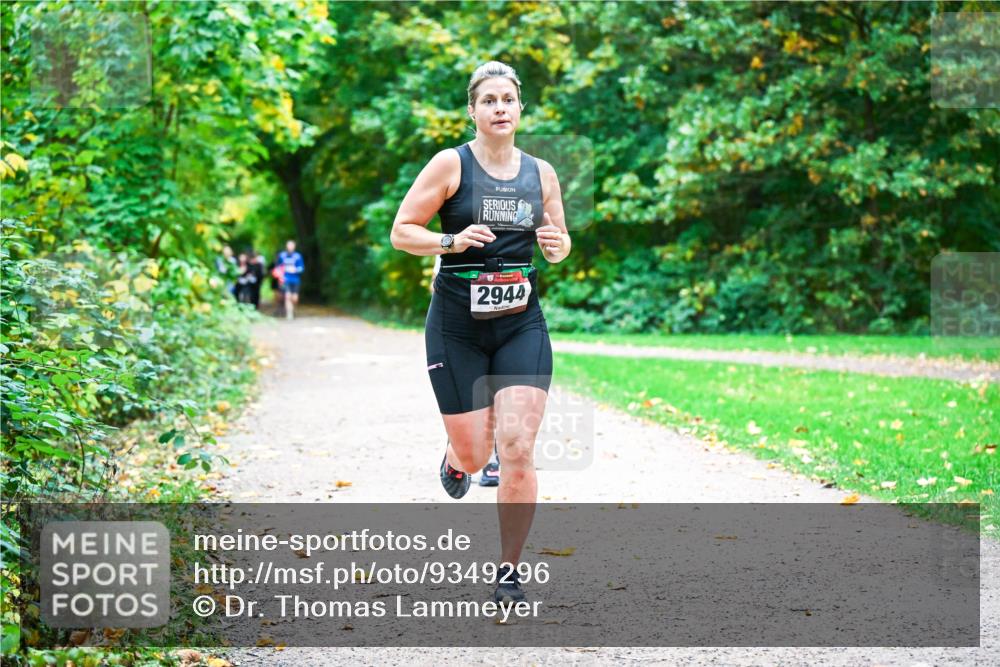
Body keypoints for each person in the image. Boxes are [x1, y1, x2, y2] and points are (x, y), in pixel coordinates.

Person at [390, 61, 571, 605]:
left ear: (520, 108)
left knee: (516, 446)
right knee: (475, 458)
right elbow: (402, 232)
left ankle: (509, 573)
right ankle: (456, 453)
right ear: (473, 111)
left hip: (521, 322)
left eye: (508, 100)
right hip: (457, 327)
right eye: (488, 100)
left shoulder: (540, 173)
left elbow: (559, 237)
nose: (499, 108)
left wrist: (558, 247)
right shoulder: (451, 164)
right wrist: (451, 242)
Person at [277, 240, 304, 320]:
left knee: (294, 298)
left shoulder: (298, 256)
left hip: (295, 280)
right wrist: (281, 273)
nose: (290, 247)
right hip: (285, 279)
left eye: (292, 245)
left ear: (294, 246)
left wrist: (295, 270)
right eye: (289, 245)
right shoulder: (282, 255)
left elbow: (302, 268)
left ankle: (293, 309)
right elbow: (278, 267)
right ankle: (289, 314)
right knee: (287, 296)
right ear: (286, 246)